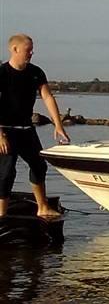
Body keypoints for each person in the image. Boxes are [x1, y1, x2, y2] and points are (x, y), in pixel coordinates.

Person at [0, 34, 70, 219]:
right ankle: (2, 214)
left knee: (39, 165)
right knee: (6, 172)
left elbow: (47, 97)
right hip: (5, 129)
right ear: (14, 49)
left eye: (32, 49)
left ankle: (42, 207)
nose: (31, 53)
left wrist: (58, 125)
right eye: (28, 50)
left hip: (26, 130)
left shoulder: (36, 72)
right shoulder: (2, 73)